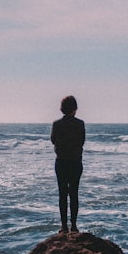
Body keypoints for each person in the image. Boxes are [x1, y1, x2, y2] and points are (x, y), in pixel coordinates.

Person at [50, 95, 85, 234]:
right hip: (75, 162)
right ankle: (74, 226)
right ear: (75, 108)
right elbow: (82, 141)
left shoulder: (56, 124)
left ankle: (64, 226)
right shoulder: (80, 123)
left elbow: (53, 140)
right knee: (74, 193)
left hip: (61, 161)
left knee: (62, 194)